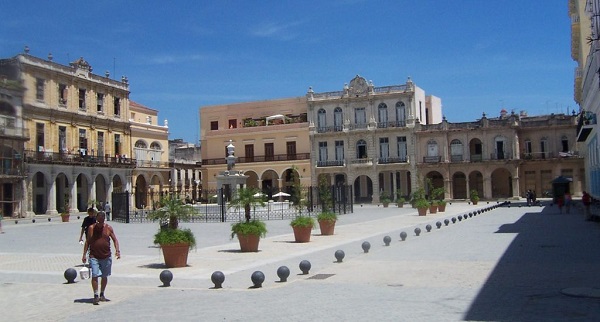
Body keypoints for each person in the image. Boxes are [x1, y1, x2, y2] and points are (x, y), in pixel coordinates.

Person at [82, 211, 120, 305]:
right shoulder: (91, 228)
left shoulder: (108, 228)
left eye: (101, 222)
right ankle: (95, 295)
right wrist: (84, 255)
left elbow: (115, 240)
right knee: (95, 274)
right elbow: (87, 242)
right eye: (98, 221)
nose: (99, 224)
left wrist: (117, 251)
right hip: (94, 256)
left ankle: (102, 293)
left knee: (104, 276)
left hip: (106, 256)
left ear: (104, 220)